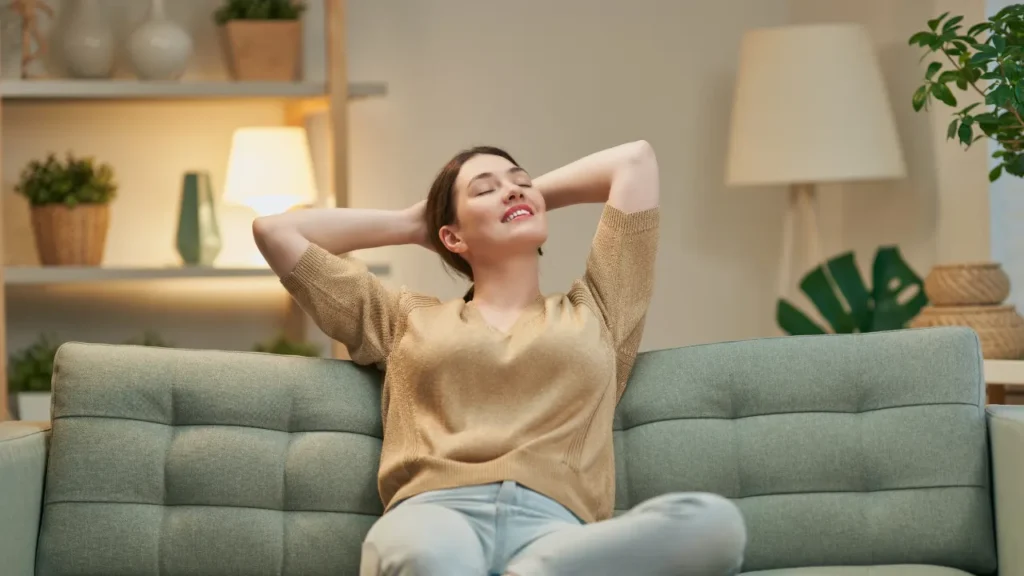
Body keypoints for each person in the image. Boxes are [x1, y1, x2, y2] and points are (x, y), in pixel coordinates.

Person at [253, 141, 746, 576]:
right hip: (435, 518)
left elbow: (634, 161)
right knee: (432, 559)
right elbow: (277, 232)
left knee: (715, 526)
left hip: (558, 535)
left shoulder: (599, 310)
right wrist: (414, 223)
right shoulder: (402, 319)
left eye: (522, 183)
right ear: (451, 237)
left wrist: (519, 201)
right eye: (485, 189)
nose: (512, 191)